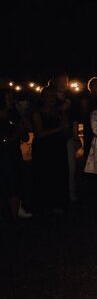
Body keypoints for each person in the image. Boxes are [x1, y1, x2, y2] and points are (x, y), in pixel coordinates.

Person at [31, 87, 70, 215]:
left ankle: (58, 203)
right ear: (43, 98)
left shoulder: (59, 113)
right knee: (45, 176)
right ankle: (44, 205)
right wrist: (59, 128)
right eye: (48, 96)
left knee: (59, 175)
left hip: (58, 148)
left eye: (53, 96)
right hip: (44, 150)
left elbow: (65, 129)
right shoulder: (38, 113)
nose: (51, 99)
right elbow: (39, 134)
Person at [0, 88, 31, 219]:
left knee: (16, 183)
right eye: (8, 98)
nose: (12, 101)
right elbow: (7, 138)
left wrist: (22, 122)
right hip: (3, 153)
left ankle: (15, 213)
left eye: (12, 98)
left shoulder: (14, 115)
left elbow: (25, 137)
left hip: (13, 153)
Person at [51, 72, 81, 203]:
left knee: (71, 167)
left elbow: (74, 120)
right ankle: (57, 196)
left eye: (66, 81)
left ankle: (71, 195)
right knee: (56, 168)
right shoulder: (50, 99)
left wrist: (76, 138)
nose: (64, 83)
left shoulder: (71, 100)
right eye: (61, 80)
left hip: (68, 137)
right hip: (53, 138)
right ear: (55, 82)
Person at [82, 76, 97, 160]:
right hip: (89, 128)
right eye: (95, 85)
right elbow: (85, 113)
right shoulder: (86, 99)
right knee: (89, 151)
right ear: (90, 86)